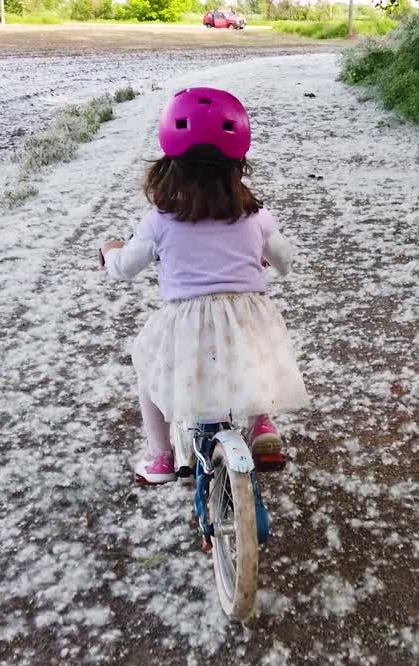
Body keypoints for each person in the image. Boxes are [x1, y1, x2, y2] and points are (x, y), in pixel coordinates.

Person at [100, 87, 310, 486]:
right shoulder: (254, 215)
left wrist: (110, 252)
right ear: (238, 162)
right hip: (248, 314)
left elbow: (125, 268)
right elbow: (286, 260)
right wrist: (263, 255)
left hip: (188, 321)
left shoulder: (160, 219)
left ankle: (160, 456)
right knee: (251, 360)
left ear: (170, 162)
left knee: (148, 366)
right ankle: (262, 425)